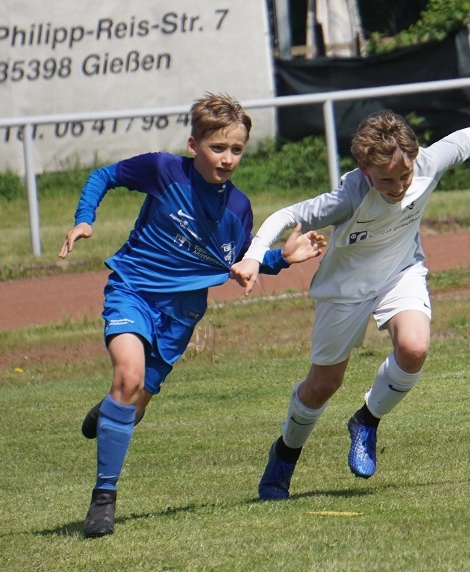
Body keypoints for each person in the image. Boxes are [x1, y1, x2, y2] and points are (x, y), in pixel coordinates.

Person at [230, 110, 470, 500]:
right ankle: (285, 455)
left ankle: (366, 420)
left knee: (414, 348)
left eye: (404, 176)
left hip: (400, 272)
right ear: (364, 170)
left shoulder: (430, 162)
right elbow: (287, 214)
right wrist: (254, 257)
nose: (397, 187)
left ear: (415, 156)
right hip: (344, 289)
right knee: (323, 385)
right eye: (386, 180)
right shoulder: (349, 196)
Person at [59, 93, 326, 537]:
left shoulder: (238, 208)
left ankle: (109, 412)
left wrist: (281, 257)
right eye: (217, 148)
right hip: (133, 292)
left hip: (181, 318)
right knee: (128, 377)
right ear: (193, 145)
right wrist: (85, 218)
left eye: (236, 149)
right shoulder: (163, 170)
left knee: (132, 406)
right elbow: (103, 175)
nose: (227, 158)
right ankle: (104, 497)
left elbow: (240, 261)